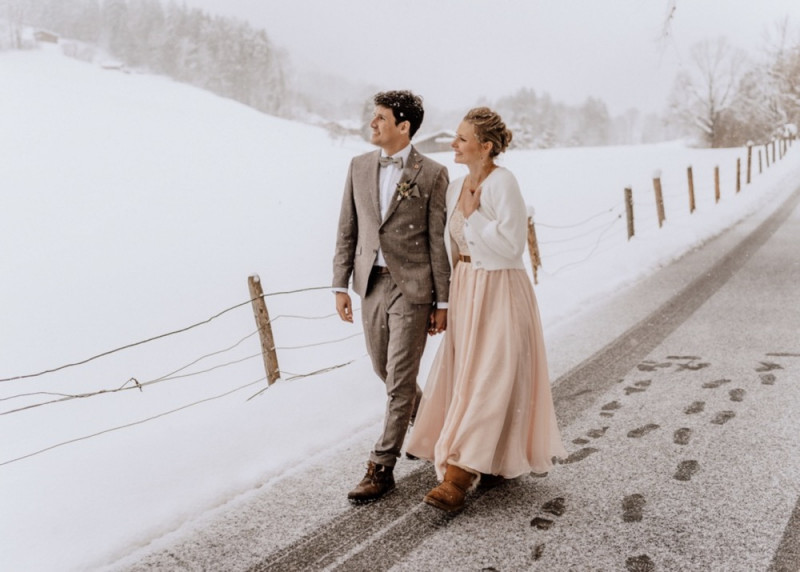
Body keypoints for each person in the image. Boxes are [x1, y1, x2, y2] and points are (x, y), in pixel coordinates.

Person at [406, 107, 567, 513]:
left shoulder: (504, 183)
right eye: (455, 137)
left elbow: (512, 246)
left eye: (462, 139)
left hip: (499, 289)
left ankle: (459, 475)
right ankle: (489, 455)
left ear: (486, 146)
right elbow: (451, 244)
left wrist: (476, 218)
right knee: (467, 372)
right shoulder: (455, 185)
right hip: (466, 287)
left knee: (493, 374)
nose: (453, 144)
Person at [333, 90, 451, 503]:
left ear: (404, 126)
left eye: (381, 118)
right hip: (369, 285)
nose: (372, 124)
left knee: (399, 380)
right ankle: (430, 422)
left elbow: (438, 242)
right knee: (383, 368)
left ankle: (381, 467)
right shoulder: (359, 166)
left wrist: (442, 302)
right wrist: (340, 285)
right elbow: (347, 229)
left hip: (413, 289)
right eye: (373, 117)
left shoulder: (433, 174)